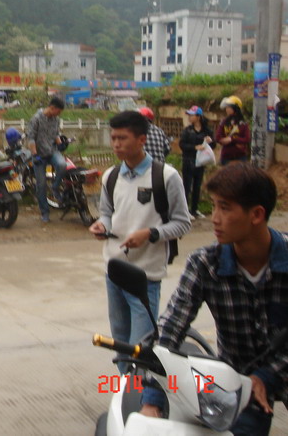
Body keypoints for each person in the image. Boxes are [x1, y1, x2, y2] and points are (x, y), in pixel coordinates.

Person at [140, 163, 287, 435]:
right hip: (238, 381)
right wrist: (152, 398)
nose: (215, 218)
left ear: (256, 214)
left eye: (225, 208)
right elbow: (170, 328)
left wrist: (268, 375)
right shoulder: (204, 264)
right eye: (214, 206)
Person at [88, 111, 190, 369]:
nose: (116, 144)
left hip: (146, 275)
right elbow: (107, 213)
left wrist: (151, 234)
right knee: (121, 343)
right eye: (113, 138)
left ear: (142, 139)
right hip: (114, 270)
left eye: (122, 138)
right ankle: (127, 387)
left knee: (140, 348)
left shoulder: (166, 176)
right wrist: (102, 225)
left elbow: (182, 223)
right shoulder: (111, 176)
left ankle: (140, 390)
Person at [26, 96, 66, 223]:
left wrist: (60, 144)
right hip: (39, 154)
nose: (59, 114)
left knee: (62, 165)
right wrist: (35, 154)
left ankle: (55, 187)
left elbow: (56, 134)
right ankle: (45, 212)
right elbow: (31, 138)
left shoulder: (56, 119)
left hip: (52, 151)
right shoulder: (36, 119)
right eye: (58, 111)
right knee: (41, 184)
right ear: (52, 108)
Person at [179, 105, 215, 219]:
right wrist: (195, 147)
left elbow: (213, 145)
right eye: (189, 115)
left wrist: (210, 142)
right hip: (188, 161)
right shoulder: (187, 130)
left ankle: (194, 209)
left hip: (200, 162)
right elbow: (182, 145)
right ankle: (185, 210)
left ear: (198, 117)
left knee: (197, 186)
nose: (189, 117)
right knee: (186, 186)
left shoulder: (207, 131)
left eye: (192, 115)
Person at [216, 95, 250, 165]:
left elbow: (246, 139)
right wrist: (236, 141)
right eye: (226, 107)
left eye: (229, 107)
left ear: (235, 108)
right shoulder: (223, 122)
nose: (227, 109)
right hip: (226, 157)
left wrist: (231, 139)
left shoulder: (243, 123)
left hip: (240, 157)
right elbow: (218, 138)